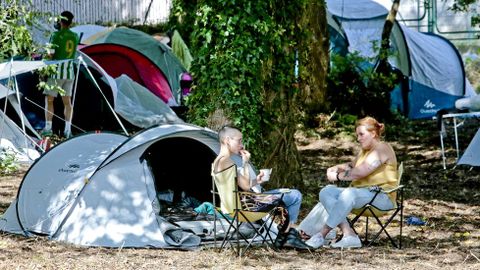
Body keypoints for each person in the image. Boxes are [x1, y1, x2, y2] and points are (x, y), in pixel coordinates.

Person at [303, 116, 398, 249]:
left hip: (382, 197)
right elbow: (352, 166)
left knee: (349, 193)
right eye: (357, 135)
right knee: (327, 191)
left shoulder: (382, 148)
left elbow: (361, 172)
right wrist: (336, 168)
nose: (358, 139)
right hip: (362, 195)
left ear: (373, 133)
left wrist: (337, 176)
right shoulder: (365, 151)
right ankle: (349, 235)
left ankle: (321, 235)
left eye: (361, 134)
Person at [212, 125, 310, 249]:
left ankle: (286, 235)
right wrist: (245, 162)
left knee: (290, 194)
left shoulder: (218, 161)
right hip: (247, 207)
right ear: (227, 140)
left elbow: (243, 184)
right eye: (239, 140)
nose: (241, 144)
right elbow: (246, 187)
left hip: (233, 206)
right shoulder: (226, 161)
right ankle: (286, 235)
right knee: (295, 195)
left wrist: (256, 181)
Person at [42, 11, 79, 138]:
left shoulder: (55, 35)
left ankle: (48, 128)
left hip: (56, 73)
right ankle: (67, 130)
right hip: (69, 73)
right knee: (67, 103)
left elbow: (50, 54)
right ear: (71, 22)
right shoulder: (75, 36)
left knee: (49, 99)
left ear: (60, 21)